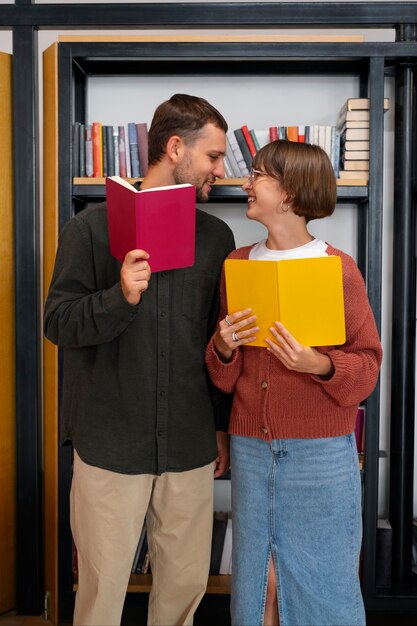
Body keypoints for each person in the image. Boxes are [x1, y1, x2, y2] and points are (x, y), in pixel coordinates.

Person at [44, 93, 235, 626]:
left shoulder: (217, 238)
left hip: (189, 444)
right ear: (176, 148)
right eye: (213, 157)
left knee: (184, 587)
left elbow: (213, 346)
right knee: (102, 592)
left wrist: (220, 428)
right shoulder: (90, 229)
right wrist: (119, 298)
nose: (220, 171)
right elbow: (58, 322)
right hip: (110, 444)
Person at [205, 139, 382, 626]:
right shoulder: (237, 264)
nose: (245, 182)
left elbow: (367, 365)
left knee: (321, 585)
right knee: (260, 588)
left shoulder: (338, 267)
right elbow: (224, 377)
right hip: (252, 451)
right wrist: (221, 346)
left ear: (287, 192)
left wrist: (320, 366)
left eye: (257, 174)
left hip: (320, 454)